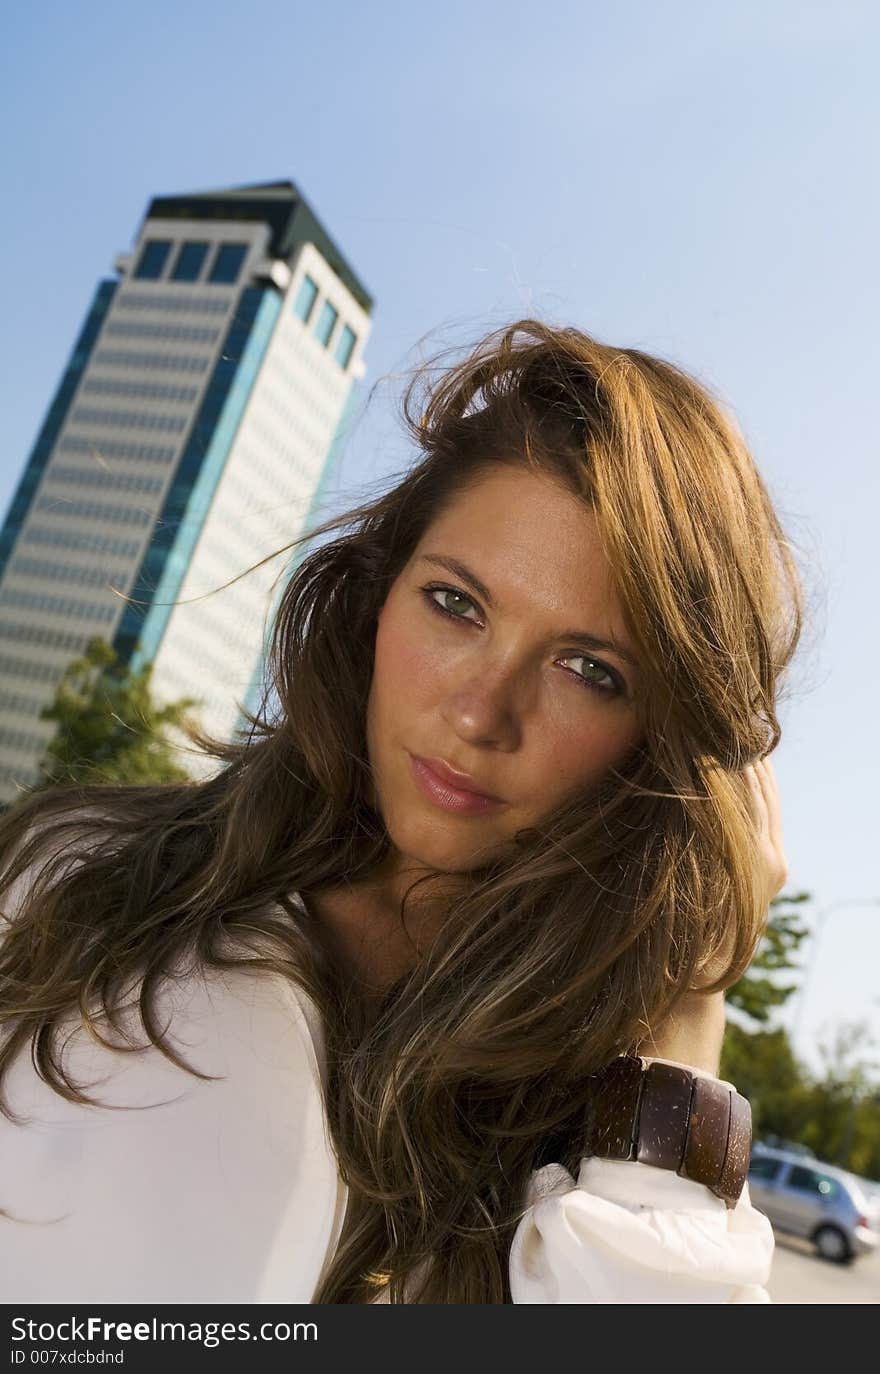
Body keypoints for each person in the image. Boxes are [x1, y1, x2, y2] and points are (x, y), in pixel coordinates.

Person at [0, 319, 801, 1304]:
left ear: (659, 747)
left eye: (588, 669)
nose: (479, 712)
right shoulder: (70, 879)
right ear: (376, 595)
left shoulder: (584, 1125)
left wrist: (687, 999)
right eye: (456, 604)